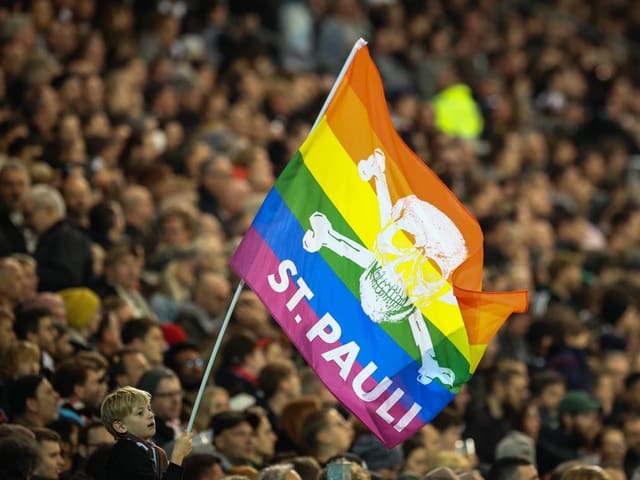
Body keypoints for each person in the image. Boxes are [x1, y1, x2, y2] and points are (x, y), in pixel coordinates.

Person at [99, 386, 193, 480]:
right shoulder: (126, 453)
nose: (151, 415)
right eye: (140, 413)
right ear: (121, 426)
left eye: (149, 409)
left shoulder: (145, 449)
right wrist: (178, 455)